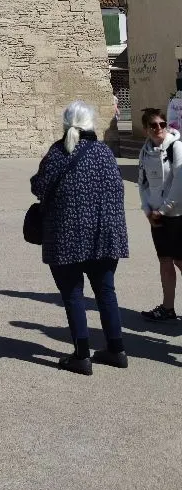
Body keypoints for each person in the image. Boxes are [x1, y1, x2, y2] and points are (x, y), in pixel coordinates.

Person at [30, 101, 129, 375]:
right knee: (106, 292)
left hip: (66, 237)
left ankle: (81, 356)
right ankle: (117, 350)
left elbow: (38, 186)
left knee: (73, 295)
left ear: (66, 123)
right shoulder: (105, 153)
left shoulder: (58, 152)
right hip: (105, 236)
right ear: (90, 123)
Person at [137, 106, 182, 322]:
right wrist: (148, 210)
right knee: (165, 261)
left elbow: (180, 182)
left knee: (180, 262)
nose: (158, 128)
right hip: (156, 216)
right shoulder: (145, 151)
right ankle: (167, 308)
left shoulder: (176, 147)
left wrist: (164, 209)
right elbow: (142, 183)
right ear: (146, 129)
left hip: (177, 214)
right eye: (153, 125)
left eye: (162, 124)